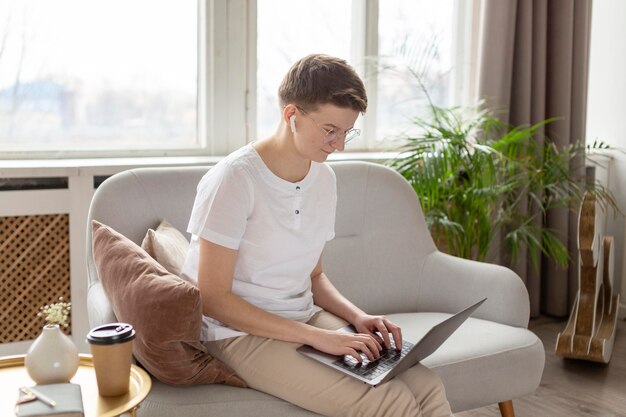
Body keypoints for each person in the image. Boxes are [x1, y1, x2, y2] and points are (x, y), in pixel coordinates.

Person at [181, 54, 453, 417]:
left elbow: (314, 276)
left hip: (302, 316)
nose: (339, 145)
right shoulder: (234, 179)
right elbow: (213, 299)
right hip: (235, 334)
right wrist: (319, 337)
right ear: (291, 116)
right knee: (391, 402)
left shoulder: (324, 179)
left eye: (346, 132)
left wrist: (358, 317)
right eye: (330, 130)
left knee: (427, 385)